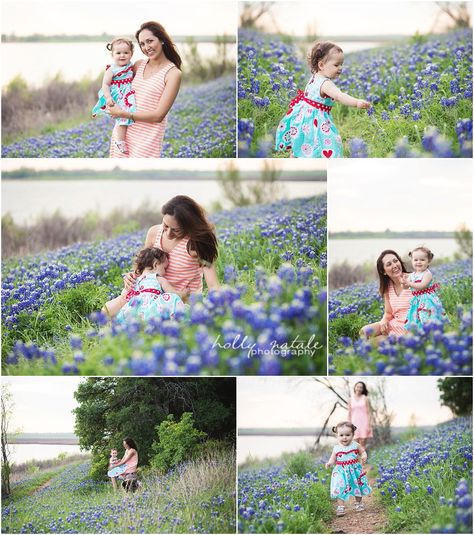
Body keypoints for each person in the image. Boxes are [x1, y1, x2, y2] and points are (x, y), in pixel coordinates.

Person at [275, 41, 370, 158]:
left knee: (302, 141)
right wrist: (356, 102)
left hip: (302, 118)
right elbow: (339, 96)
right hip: (316, 121)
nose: (340, 68)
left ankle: (297, 157)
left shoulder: (315, 76)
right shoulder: (326, 84)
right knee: (328, 142)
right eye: (336, 65)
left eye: (341, 64)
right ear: (321, 65)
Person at [107, 21, 182, 158]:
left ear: (162, 40)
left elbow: (158, 116)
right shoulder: (138, 65)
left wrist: (124, 114)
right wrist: (110, 102)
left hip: (147, 140)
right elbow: (117, 84)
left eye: (150, 41)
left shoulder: (173, 73)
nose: (146, 47)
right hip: (122, 136)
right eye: (142, 44)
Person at [123, 196, 220, 300]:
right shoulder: (154, 233)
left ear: (188, 226)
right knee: (110, 308)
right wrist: (131, 277)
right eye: (165, 225)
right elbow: (143, 269)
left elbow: (213, 285)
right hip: (148, 299)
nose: (169, 233)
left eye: (176, 230)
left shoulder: (197, 244)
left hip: (181, 304)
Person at [102, 247, 185, 323]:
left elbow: (125, 295)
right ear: (155, 264)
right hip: (153, 310)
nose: (165, 272)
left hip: (135, 309)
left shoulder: (135, 280)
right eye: (164, 268)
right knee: (173, 299)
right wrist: (183, 293)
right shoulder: (158, 279)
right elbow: (173, 294)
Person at [92, 37, 136, 154]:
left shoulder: (131, 66)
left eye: (126, 52)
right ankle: (120, 141)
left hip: (128, 94)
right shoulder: (111, 69)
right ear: (112, 55)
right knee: (122, 117)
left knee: (131, 115)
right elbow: (105, 84)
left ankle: (130, 138)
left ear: (131, 54)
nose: (122, 55)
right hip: (118, 95)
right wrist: (108, 98)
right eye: (118, 53)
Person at [359, 250, 412, 343]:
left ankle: (392, 346)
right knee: (364, 332)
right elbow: (388, 313)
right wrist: (383, 321)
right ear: (383, 271)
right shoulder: (388, 287)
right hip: (395, 323)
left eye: (396, 261)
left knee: (372, 343)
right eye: (389, 264)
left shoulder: (413, 279)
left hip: (410, 326)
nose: (394, 265)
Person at [325, 421, 371, 517]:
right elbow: (333, 458)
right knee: (339, 487)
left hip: (354, 469)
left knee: (357, 485)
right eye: (341, 435)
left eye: (347, 435)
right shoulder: (336, 448)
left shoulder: (355, 445)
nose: (344, 437)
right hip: (340, 470)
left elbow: (362, 452)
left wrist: (364, 456)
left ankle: (358, 503)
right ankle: (341, 507)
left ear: (353, 435)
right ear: (337, 436)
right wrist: (329, 463)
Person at [403, 246, 447, 330]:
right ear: (412, 261)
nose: (418, 262)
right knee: (417, 317)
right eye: (415, 260)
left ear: (428, 261)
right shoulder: (412, 275)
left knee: (427, 316)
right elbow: (405, 287)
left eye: (422, 260)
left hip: (427, 300)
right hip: (416, 300)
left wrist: (409, 283)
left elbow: (422, 286)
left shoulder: (427, 274)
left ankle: (433, 330)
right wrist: (404, 282)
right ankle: (420, 331)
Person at [348, 382, 373, 448]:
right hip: (354, 423)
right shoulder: (350, 399)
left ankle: (362, 458)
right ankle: (356, 458)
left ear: (363, 389)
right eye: (357, 387)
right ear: (355, 387)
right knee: (354, 444)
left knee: (362, 443)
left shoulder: (366, 398)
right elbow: (349, 413)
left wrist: (369, 425)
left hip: (364, 423)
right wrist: (349, 425)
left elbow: (369, 413)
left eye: (361, 387)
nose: (359, 388)